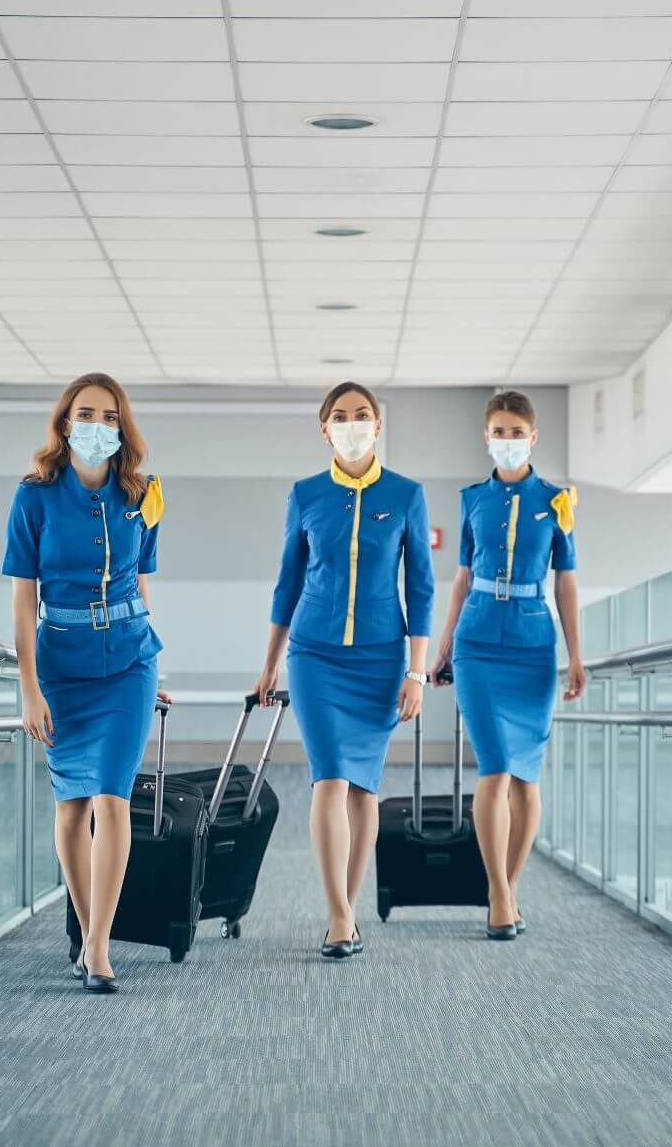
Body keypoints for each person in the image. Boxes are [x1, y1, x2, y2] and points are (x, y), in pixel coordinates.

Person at [252, 382, 433, 960]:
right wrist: (270, 662)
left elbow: (421, 588)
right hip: (314, 656)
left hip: (381, 659)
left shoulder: (406, 494)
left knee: (365, 790)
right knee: (329, 776)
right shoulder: (306, 495)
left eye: (361, 415)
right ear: (324, 428)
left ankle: (348, 910)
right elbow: (288, 583)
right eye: (340, 416)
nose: (351, 423)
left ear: (377, 426)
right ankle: (336, 915)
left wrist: (418, 672)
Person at [4, 373, 167, 995]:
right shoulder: (34, 497)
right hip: (62, 669)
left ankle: (99, 945)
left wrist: (156, 662)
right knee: (71, 807)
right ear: (65, 423)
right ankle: (86, 924)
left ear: (121, 425)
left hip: (129, 662)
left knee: (110, 798)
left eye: (108, 415)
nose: (96, 425)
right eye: (84, 414)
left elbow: (142, 579)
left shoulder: (144, 493)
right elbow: (23, 603)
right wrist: (29, 688)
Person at [430, 391, 584, 940]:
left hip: (532, 644)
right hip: (477, 642)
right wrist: (443, 645)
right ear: (487, 436)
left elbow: (565, 581)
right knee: (493, 766)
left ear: (534, 437)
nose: (509, 440)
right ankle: (497, 891)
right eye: (500, 430)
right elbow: (461, 577)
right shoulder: (473, 498)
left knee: (526, 775)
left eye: (518, 431)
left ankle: (509, 887)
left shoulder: (557, 500)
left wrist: (575, 655)